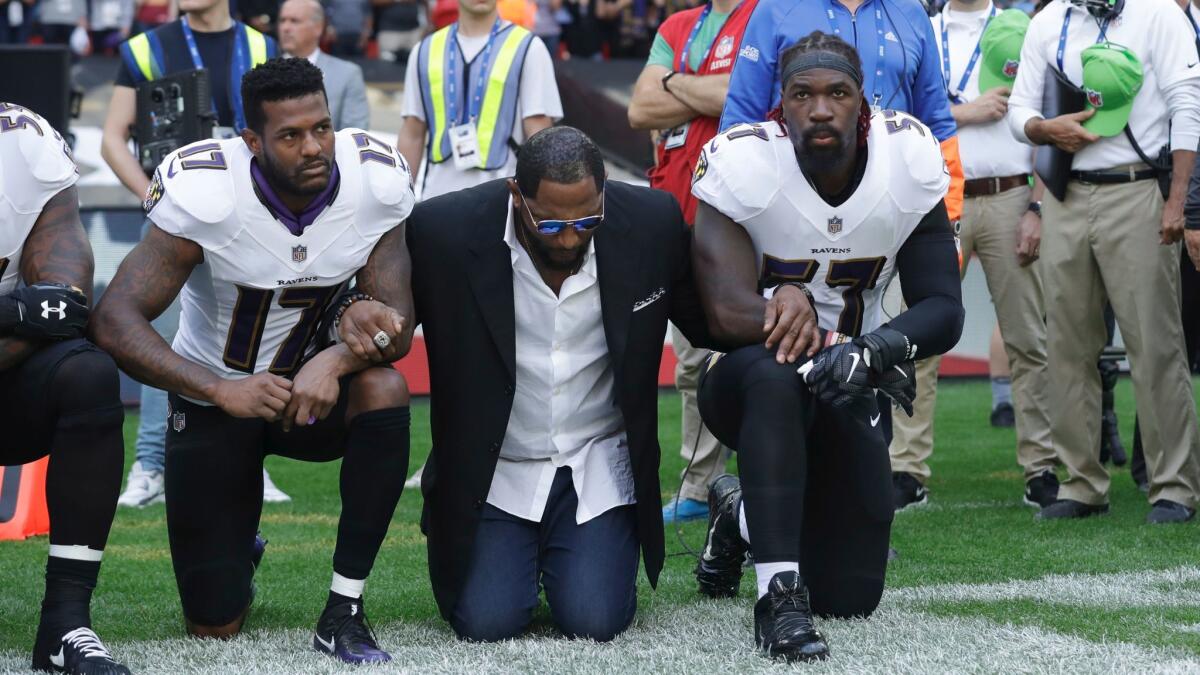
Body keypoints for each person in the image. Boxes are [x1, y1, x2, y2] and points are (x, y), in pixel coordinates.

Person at [91, 58, 417, 661]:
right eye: (290, 135)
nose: (314, 147)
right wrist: (219, 390)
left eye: (321, 128)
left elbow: (396, 325)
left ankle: (343, 610)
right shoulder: (207, 191)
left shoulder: (375, 180)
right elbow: (114, 320)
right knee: (214, 624)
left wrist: (337, 362)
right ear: (251, 142)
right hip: (217, 398)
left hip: (312, 398)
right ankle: (240, 541)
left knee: (385, 387)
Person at [690, 33, 963, 661]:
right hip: (748, 382)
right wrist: (843, 343)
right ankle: (778, 599)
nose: (820, 109)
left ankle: (740, 515)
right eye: (802, 94)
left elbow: (943, 309)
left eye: (837, 93)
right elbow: (726, 312)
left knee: (849, 595)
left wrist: (871, 353)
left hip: (847, 384)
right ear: (778, 108)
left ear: (862, 102)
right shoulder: (743, 162)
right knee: (773, 376)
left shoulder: (909, 157)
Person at [404, 126, 728, 642]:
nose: (573, 236)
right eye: (552, 223)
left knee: (594, 621)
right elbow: (392, 323)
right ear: (517, 196)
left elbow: (712, 322)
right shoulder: (445, 228)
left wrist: (784, 306)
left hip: (595, 462)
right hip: (494, 470)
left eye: (587, 219)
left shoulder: (649, 222)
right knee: (487, 623)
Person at [1007, 0, 1200, 523]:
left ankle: (1174, 487)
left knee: (1155, 343)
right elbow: (1018, 109)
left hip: (1138, 188)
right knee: (1067, 344)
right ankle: (1082, 482)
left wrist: (1178, 200)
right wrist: (1044, 132)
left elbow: (1187, 104)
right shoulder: (1047, 22)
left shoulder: (1159, 14)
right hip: (1067, 194)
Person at [102, 0, 289, 506]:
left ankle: (255, 463)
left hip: (248, 214)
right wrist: (153, 197)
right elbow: (112, 139)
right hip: (180, 217)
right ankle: (149, 464)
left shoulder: (259, 46)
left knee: (248, 334)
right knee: (162, 336)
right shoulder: (145, 47)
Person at [902, 4, 1057, 508]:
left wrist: (1037, 203)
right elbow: (902, 115)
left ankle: (1042, 465)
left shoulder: (1021, 27)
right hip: (938, 199)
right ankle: (906, 468)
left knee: (1027, 337)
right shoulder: (920, 29)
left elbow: (1045, 116)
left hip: (1011, 195)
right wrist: (965, 112)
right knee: (918, 339)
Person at [0, 103, 130, 674]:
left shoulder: (23, 142)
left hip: (8, 374)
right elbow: (34, 307)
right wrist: (14, 308)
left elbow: (63, 308)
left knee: (88, 372)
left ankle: (65, 623)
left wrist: (29, 312)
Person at [627, 0, 757, 523]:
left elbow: (740, 95)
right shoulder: (677, 25)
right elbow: (639, 110)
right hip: (677, 213)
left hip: (739, 217)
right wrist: (698, 87)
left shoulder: (763, 15)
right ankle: (701, 486)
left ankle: (759, 473)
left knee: (751, 353)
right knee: (691, 363)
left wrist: (674, 81)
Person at [397, 0, 561, 201]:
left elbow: (540, 134)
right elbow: (412, 133)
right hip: (436, 199)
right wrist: (399, 202)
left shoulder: (529, 48)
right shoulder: (425, 50)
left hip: (502, 199)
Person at [279, 0, 371, 130]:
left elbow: (355, 135)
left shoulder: (347, 74)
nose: (285, 28)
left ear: (318, 28)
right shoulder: (262, 73)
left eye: (294, 21)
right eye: (282, 21)